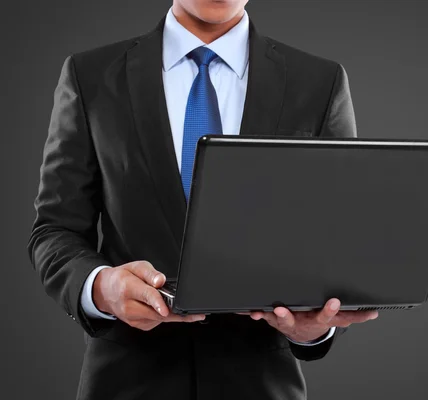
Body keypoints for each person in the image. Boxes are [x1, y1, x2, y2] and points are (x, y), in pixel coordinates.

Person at [28, 0, 377, 399]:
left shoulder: (319, 82)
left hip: (262, 384)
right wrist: (102, 288)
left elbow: (337, 240)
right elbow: (55, 230)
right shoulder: (90, 76)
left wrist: (316, 327)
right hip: (126, 383)